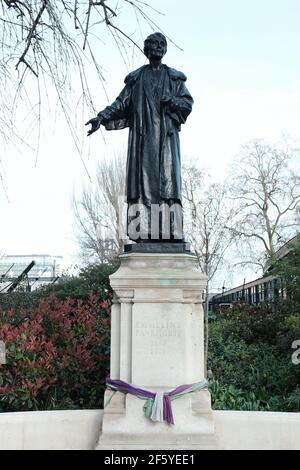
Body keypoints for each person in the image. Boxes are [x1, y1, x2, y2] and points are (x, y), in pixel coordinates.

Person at [86, 32, 193, 242]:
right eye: (154, 44)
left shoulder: (175, 78)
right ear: (146, 49)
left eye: (162, 44)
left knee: (168, 188)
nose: (158, 47)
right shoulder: (136, 79)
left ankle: (172, 232)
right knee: (142, 187)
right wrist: (101, 117)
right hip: (143, 143)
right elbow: (120, 103)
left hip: (165, 142)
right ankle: (142, 232)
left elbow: (187, 104)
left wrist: (171, 100)